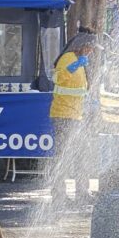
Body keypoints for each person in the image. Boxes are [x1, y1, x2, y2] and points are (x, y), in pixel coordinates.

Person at [49, 29, 99, 202]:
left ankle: (81, 191)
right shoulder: (68, 59)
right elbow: (57, 79)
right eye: (90, 48)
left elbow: (79, 89)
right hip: (63, 114)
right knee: (63, 154)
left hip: (76, 115)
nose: (91, 51)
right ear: (82, 46)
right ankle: (58, 193)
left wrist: (89, 102)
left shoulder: (80, 61)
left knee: (79, 153)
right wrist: (73, 67)